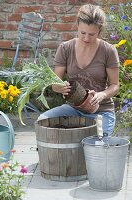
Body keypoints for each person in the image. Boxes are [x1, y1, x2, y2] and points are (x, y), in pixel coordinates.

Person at [38, 4, 119, 136]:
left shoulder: (108, 50)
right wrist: (60, 88)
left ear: (99, 31)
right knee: (42, 120)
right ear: (77, 26)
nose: (86, 38)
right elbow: (54, 84)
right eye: (83, 33)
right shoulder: (65, 48)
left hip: (102, 111)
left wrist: (101, 95)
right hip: (73, 108)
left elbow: (115, 86)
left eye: (92, 34)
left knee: (98, 145)